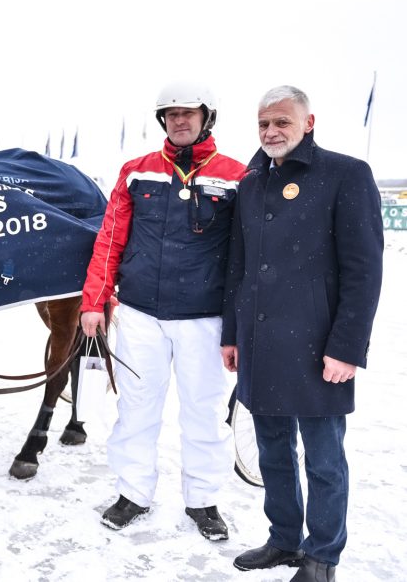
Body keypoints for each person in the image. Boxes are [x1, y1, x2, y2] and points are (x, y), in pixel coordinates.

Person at [223, 86, 383, 581]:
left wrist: (347, 348)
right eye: (263, 125)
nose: (271, 133)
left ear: (307, 123)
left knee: (323, 460)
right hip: (260, 344)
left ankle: (322, 556)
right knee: (273, 451)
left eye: (282, 123)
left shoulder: (346, 174)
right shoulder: (250, 184)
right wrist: (232, 335)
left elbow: (364, 270)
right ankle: (284, 539)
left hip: (319, 348)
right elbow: (239, 267)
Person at [78, 82, 245, 540]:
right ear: (162, 121)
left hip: (204, 320)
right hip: (139, 316)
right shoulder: (136, 172)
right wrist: (94, 301)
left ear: (206, 117)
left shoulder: (237, 175)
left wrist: (240, 326)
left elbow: (246, 257)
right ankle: (133, 492)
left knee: (204, 413)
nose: (180, 121)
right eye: (171, 114)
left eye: (188, 113)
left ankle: (203, 501)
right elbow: (110, 239)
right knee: (136, 408)